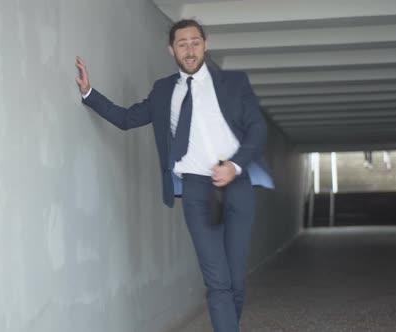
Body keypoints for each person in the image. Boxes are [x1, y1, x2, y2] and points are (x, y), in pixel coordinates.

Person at [75, 19, 273, 332]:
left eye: (195, 42)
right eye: (182, 44)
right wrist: (89, 93)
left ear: (205, 44)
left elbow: (258, 129)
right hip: (196, 191)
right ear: (172, 50)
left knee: (235, 281)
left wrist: (235, 165)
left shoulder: (234, 84)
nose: (190, 49)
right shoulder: (164, 91)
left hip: (237, 186)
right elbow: (127, 118)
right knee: (218, 283)